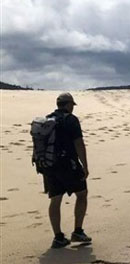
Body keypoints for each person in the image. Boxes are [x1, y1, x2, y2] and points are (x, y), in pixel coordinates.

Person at [45, 92, 91, 249]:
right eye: (72, 105)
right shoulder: (71, 120)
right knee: (82, 194)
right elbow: (79, 144)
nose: (73, 107)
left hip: (50, 166)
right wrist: (85, 166)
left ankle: (58, 237)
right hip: (68, 165)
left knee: (55, 200)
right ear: (69, 105)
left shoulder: (47, 120)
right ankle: (78, 231)